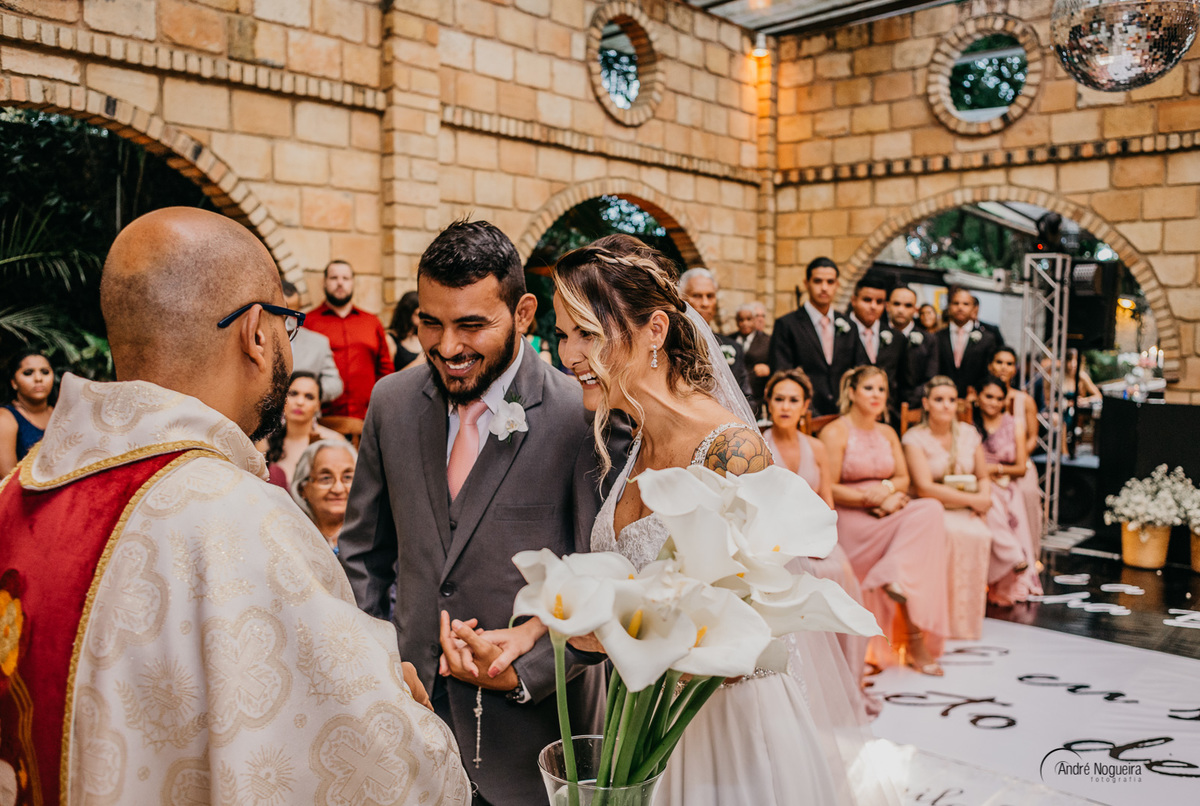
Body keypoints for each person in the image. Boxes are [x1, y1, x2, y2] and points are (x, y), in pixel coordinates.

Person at [0, 207, 469, 805]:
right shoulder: (238, 519)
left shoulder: (14, 494)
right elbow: (383, 770)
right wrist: (395, 695)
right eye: (287, 325)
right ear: (255, 331)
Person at [540, 236, 897, 806]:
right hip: (639, 720)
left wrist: (609, 629)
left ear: (655, 331)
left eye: (587, 333)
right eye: (562, 335)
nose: (568, 355)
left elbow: (746, 637)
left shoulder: (729, 449)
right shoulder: (636, 437)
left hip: (722, 731)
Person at [337, 220, 610, 806]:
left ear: (524, 313)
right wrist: (379, 662)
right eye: (430, 323)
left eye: (472, 324)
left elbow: (601, 572)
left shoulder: (578, 416)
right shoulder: (391, 402)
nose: (448, 347)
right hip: (407, 728)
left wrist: (526, 672)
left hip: (536, 745)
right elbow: (363, 554)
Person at [762, 368, 881, 721]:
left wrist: (820, 539)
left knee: (839, 571)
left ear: (805, 407)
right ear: (768, 404)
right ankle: (803, 687)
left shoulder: (815, 446)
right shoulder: (757, 443)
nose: (785, 406)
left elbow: (826, 502)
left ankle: (845, 683)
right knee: (803, 576)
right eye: (778, 399)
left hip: (814, 537)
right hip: (773, 542)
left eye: (793, 400)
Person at [820, 366, 948, 675]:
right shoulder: (835, 432)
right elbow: (828, 486)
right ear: (851, 393)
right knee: (917, 531)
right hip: (849, 517)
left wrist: (888, 492)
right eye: (869, 389)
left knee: (930, 508)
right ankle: (909, 630)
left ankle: (895, 577)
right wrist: (869, 497)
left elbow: (903, 478)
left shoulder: (888, 432)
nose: (877, 395)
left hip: (886, 510)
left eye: (881, 389)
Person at [901, 377, 993, 640]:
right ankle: (939, 622)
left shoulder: (968, 433)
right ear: (926, 403)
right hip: (932, 507)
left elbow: (984, 476)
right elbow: (923, 487)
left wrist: (984, 499)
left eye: (952, 400)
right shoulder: (914, 438)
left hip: (968, 505)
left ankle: (966, 623)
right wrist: (972, 501)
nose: (946, 406)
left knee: (980, 534)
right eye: (939, 400)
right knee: (951, 534)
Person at [975, 375, 1043, 605]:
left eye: (999, 398)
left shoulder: (1015, 424)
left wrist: (995, 469)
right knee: (990, 500)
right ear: (978, 397)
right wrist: (985, 474)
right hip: (979, 482)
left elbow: (1021, 467)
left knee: (1005, 502)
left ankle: (1014, 567)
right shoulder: (969, 424)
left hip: (1007, 483)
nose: (993, 402)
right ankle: (1013, 556)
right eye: (989, 397)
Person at [305, 259, 395, 418]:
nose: (340, 283)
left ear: (353, 283)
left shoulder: (371, 322)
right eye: (333, 278)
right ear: (324, 283)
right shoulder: (308, 323)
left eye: (345, 278)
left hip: (367, 418)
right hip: (321, 419)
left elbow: (385, 369)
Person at [768, 257, 858, 416]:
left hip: (844, 413)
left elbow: (856, 370)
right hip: (805, 414)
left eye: (830, 282)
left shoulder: (849, 325)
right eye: (818, 281)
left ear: (837, 285)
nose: (824, 288)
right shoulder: (787, 324)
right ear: (806, 283)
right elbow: (782, 373)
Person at [987, 346, 1043, 550]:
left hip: (1018, 461)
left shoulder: (1024, 400)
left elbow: (1032, 437)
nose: (1003, 367)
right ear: (991, 366)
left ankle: (1029, 552)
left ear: (1015, 369)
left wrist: (1016, 458)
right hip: (987, 463)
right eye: (999, 362)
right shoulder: (980, 397)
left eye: (1009, 363)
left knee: (1026, 493)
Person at [679, 267, 755, 409]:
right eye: (697, 296)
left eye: (710, 296)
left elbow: (745, 396)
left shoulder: (732, 347)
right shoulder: (670, 342)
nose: (705, 303)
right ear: (682, 298)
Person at [260, 370, 343, 487]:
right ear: (283, 399)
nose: (300, 402)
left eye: (309, 397)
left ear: (318, 405)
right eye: (293, 394)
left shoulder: (333, 442)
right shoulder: (265, 441)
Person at [847, 275, 904, 420]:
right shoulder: (840, 332)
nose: (873, 306)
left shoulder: (897, 338)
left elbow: (902, 380)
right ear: (854, 300)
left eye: (879, 302)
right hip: (849, 414)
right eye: (867, 300)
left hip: (888, 416)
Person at [291, 438, 357, 554]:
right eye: (326, 478)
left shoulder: (375, 537)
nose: (338, 489)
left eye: (347, 477)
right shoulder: (291, 539)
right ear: (302, 488)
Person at [282, 280, 343, 402]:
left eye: (293, 313)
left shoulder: (318, 342)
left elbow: (335, 384)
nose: (288, 319)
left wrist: (310, 392)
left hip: (305, 417)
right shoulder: (255, 339)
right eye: (283, 312)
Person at [936, 286, 998, 398]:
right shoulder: (937, 337)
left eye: (965, 304)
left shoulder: (987, 339)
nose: (960, 307)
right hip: (943, 399)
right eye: (956, 303)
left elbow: (988, 372)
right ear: (949, 306)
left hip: (974, 400)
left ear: (974, 308)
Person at [0, 350, 54, 477]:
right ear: (13, 383)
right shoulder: (5, 418)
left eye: (45, 372)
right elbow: (8, 479)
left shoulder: (62, 413)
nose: (38, 379)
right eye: (28, 373)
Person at [889, 286, 939, 407]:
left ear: (915, 309)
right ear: (888, 305)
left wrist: (911, 400)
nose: (901, 310)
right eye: (896, 304)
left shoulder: (928, 339)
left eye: (908, 305)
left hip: (914, 406)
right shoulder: (878, 334)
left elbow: (931, 377)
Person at [734, 301, 771, 416]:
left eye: (749, 319)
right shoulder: (729, 339)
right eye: (741, 320)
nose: (745, 323)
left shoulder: (767, 341)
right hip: (734, 395)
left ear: (754, 320)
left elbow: (778, 364)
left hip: (756, 396)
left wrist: (769, 369)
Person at [387, 289, 426, 370]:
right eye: (419, 315)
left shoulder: (422, 335)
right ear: (408, 313)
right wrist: (417, 363)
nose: (423, 319)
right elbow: (388, 378)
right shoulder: (390, 339)